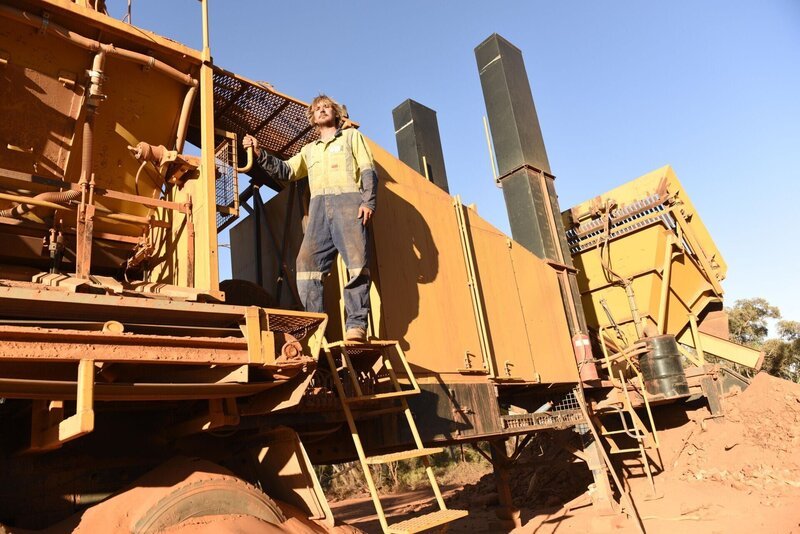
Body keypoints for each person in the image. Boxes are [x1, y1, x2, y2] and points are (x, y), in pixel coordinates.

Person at [243, 95, 377, 342]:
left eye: (327, 107)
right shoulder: (309, 150)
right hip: (318, 210)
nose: (322, 110)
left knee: (357, 265)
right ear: (313, 119)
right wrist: (259, 152)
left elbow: (368, 169)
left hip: (348, 204)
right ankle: (315, 328)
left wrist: (368, 202)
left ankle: (356, 325)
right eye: (317, 109)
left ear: (336, 114)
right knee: (306, 266)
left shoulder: (351, 137)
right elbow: (287, 171)